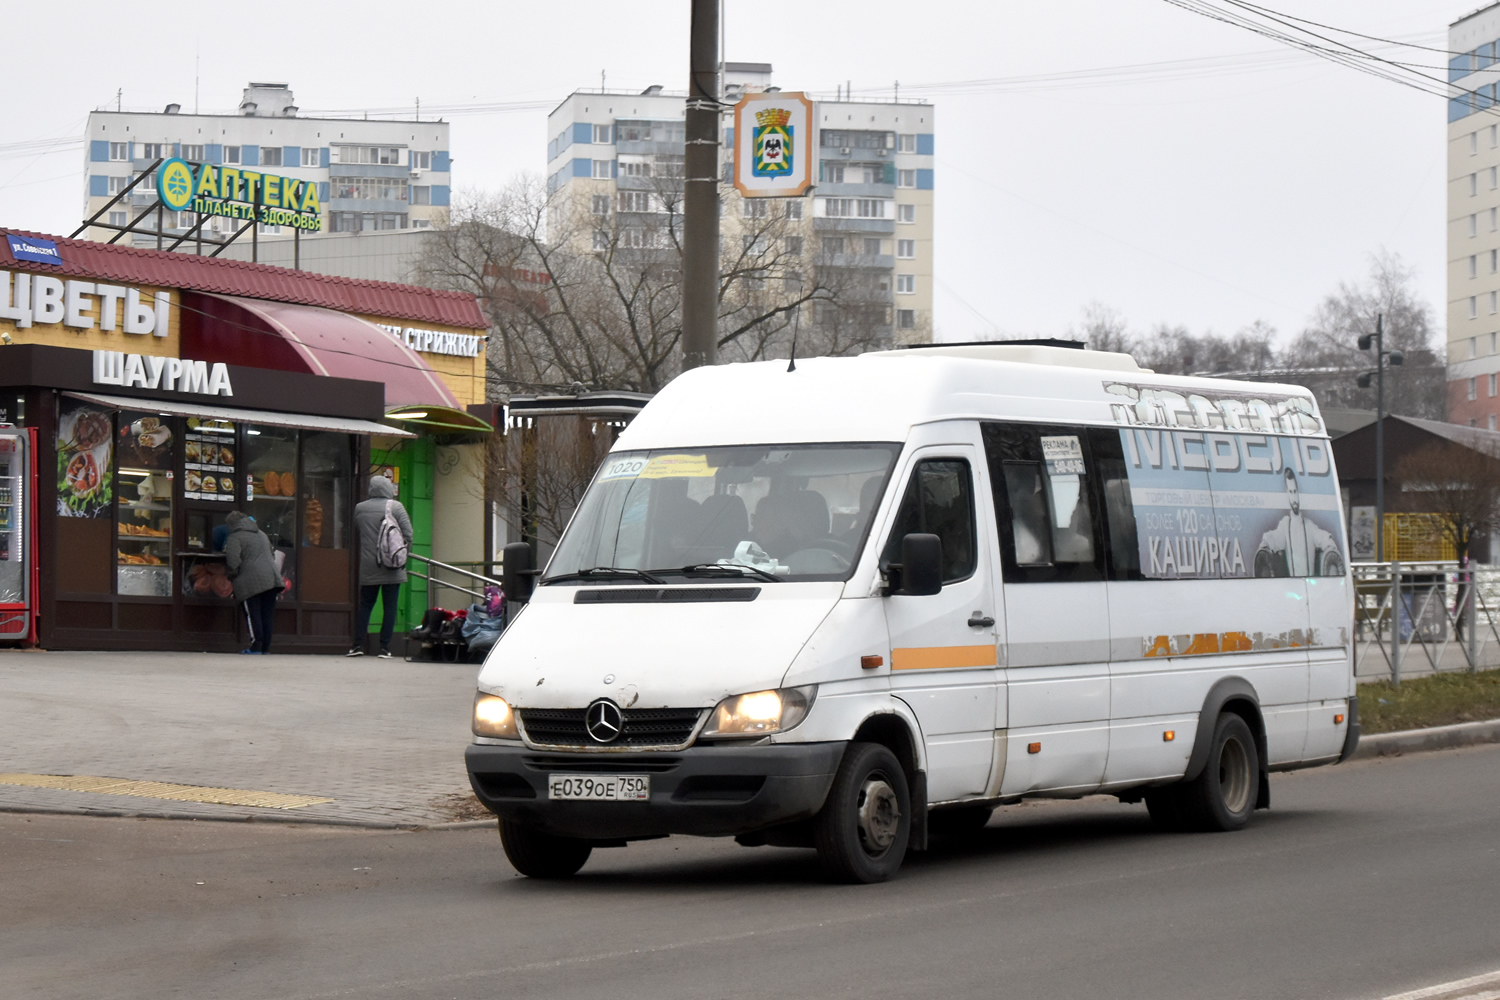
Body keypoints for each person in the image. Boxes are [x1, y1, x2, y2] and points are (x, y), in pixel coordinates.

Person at [350, 474, 413, 658]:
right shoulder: (396, 507)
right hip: (392, 564)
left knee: (366, 605)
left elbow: (358, 530)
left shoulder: (360, 508)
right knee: (390, 606)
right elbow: (408, 534)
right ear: (388, 489)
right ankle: (385, 648)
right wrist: (402, 555)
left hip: (369, 564)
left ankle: (357, 646)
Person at [1253, 467, 1343, 578]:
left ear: (1299, 493)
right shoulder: (1285, 526)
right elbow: (1273, 538)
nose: (1294, 498)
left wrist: (1331, 546)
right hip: (1290, 588)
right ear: (1287, 494)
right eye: (1291, 492)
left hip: (1311, 587)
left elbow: (1324, 538)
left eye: (1295, 492)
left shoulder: (1309, 526)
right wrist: (1265, 544)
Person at [224, 510, 283, 654]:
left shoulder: (235, 537)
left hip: (250, 581)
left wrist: (232, 576)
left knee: (253, 614)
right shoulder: (262, 534)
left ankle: (256, 646)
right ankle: (265, 648)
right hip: (272, 578)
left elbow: (233, 561)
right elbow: (270, 553)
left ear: (231, 524)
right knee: (267, 615)